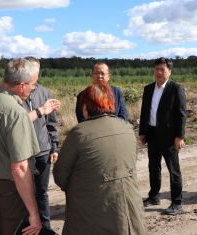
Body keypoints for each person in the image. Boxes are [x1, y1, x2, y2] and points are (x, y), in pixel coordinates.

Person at [53, 82, 146, 235]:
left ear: (85, 107)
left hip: (91, 214)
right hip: (128, 211)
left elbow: (60, 176)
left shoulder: (80, 133)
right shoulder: (127, 128)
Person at [0, 58, 42, 235]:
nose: (34, 88)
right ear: (21, 85)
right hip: (11, 191)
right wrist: (34, 213)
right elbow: (19, 167)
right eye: (33, 84)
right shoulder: (15, 112)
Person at [139, 57, 188, 215]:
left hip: (170, 137)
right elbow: (144, 112)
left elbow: (181, 115)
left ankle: (177, 202)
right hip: (152, 134)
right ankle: (154, 196)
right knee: (153, 167)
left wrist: (179, 136)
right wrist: (142, 132)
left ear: (169, 71)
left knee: (174, 170)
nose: (159, 72)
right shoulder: (148, 89)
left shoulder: (176, 89)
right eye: (156, 69)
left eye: (162, 69)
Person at [22, 57, 60, 235]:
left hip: (43, 150)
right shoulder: (17, 95)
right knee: (23, 192)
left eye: (36, 70)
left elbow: (51, 124)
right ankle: (26, 226)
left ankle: (45, 227)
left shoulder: (45, 92)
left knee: (42, 192)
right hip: (22, 152)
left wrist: (54, 147)